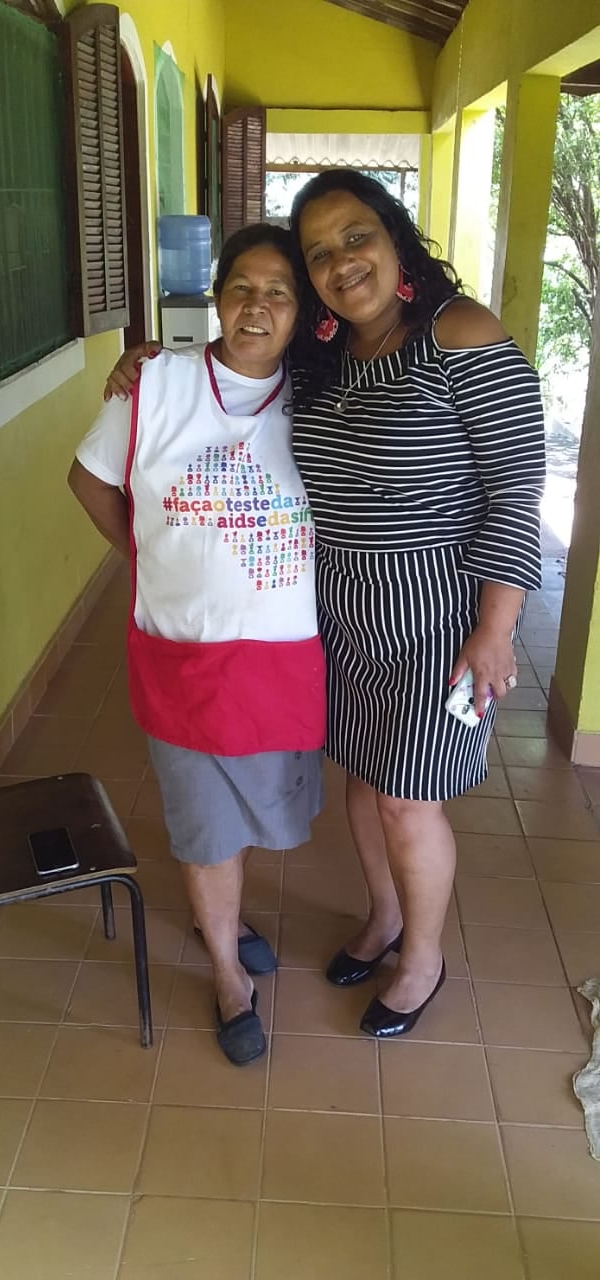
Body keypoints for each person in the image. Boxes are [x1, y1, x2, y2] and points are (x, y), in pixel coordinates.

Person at [104, 170, 545, 1040]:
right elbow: (233, 377)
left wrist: (496, 629)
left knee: (407, 800)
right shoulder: (329, 358)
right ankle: (383, 918)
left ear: (394, 237)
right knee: (365, 782)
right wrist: (154, 359)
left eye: (356, 236)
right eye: (319, 253)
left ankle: (422, 959)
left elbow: (516, 492)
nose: (342, 261)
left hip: (436, 617)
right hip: (336, 615)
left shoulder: (460, 332)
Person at [69, 224, 326, 1066]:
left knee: (251, 811)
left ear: (301, 312)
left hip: (282, 661)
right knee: (203, 822)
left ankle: (228, 915)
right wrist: (145, 553)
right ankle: (226, 972)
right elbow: (88, 479)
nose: (257, 306)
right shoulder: (156, 383)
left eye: (279, 292)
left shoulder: (321, 398)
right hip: (182, 653)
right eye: (241, 287)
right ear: (217, 298)